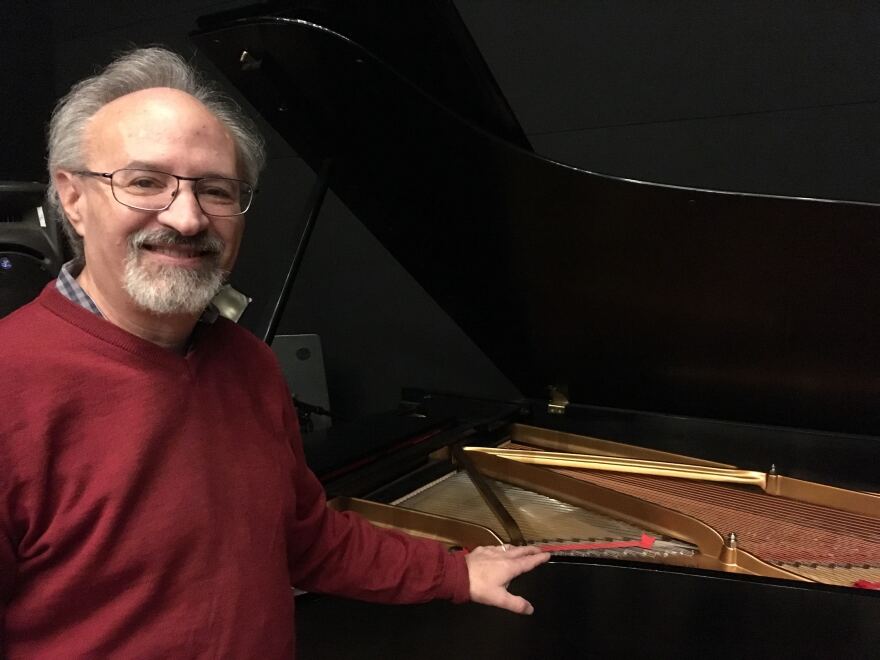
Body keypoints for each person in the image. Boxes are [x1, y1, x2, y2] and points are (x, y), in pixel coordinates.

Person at [0, 47, 549, 657]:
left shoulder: (249, 365)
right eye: (145, 182)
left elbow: (304, 539)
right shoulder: (9, 385)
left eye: (215, 190)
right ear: (72, 197)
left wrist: (452, 573)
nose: (186, 218)